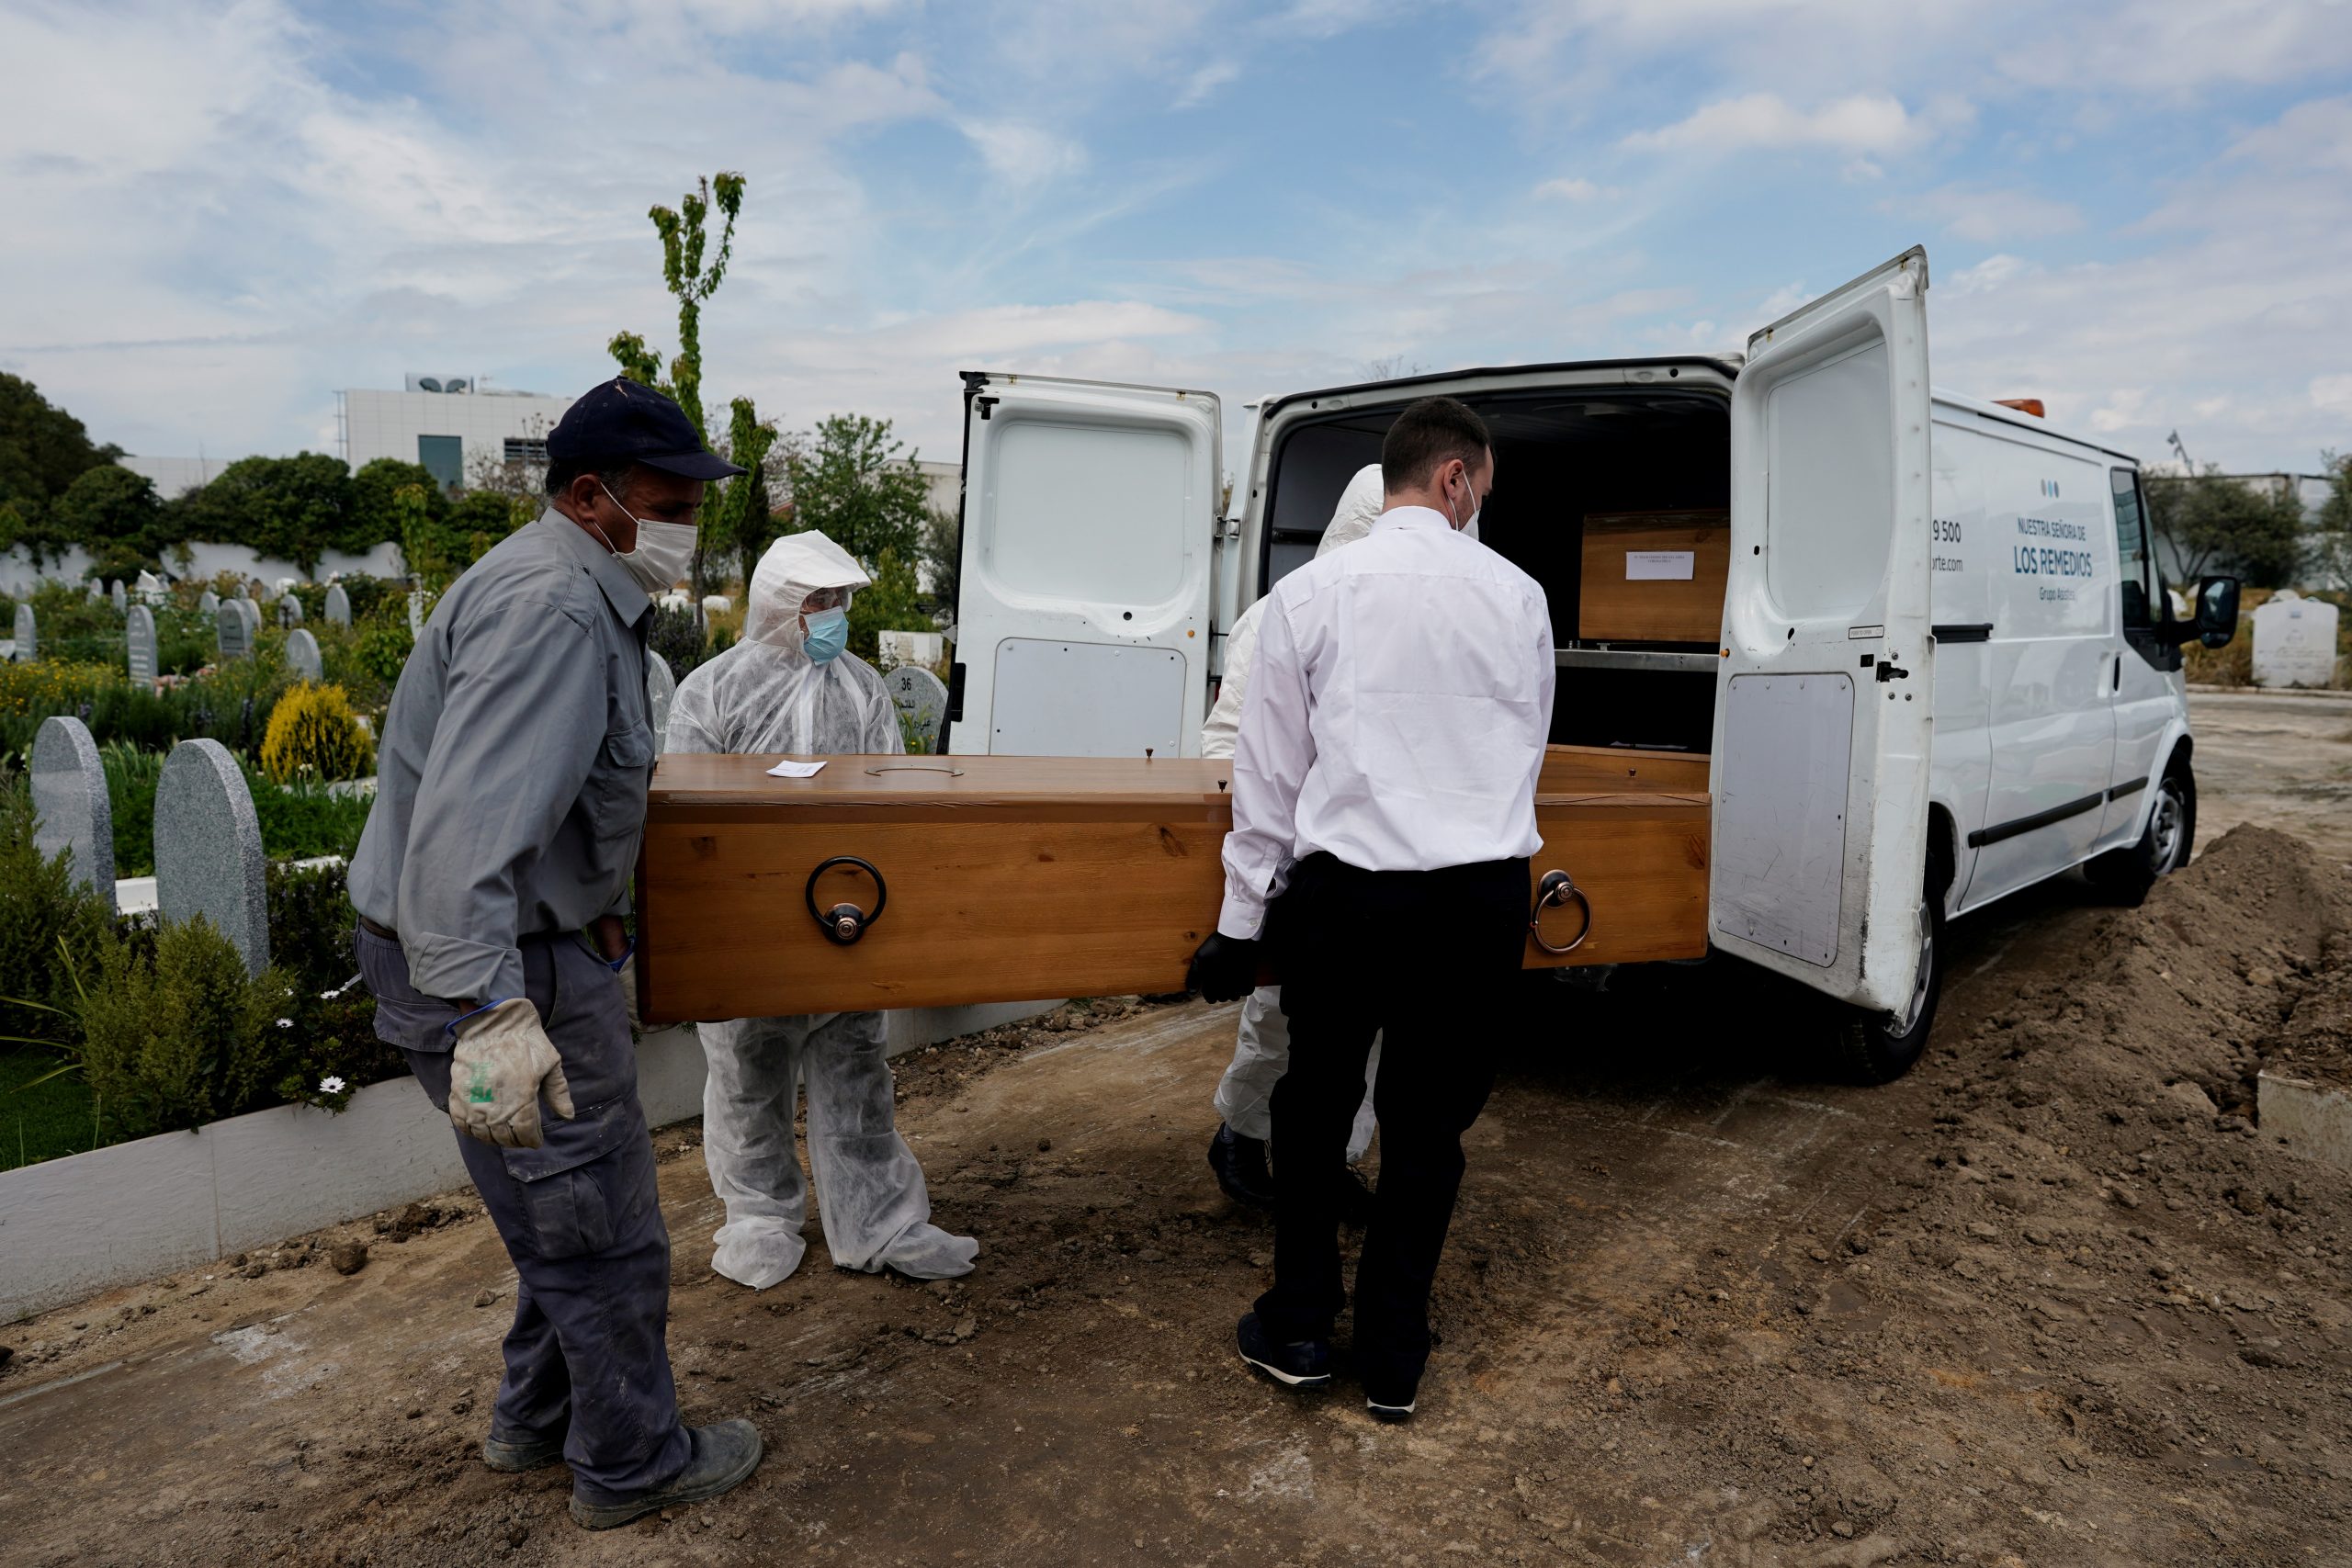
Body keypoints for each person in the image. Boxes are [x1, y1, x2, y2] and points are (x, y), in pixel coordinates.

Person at [348, 378, 764, 1530]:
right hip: (496, 972)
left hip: (521, 953)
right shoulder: (557, 612)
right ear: (593, 498)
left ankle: (534, 1421)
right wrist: (493, 1008)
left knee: (556, 1211)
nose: (692, 527)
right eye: (672, 502)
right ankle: (631, 1464)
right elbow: (464, 843)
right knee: (602, 1231)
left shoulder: (566, 587)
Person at [1189, 397, 1552, 1423]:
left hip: (1346, 898)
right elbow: (1523, 752)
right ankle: (1394, 1354)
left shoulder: (1308, 599)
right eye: (1480, 484)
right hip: (1477, 899)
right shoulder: (1518, 598)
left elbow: (1267, 785)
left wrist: (1239, 919)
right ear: (1453, 479)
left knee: (1311, 1110)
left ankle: (1301, 1325)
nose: (1480, 502)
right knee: (1427, 1128)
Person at [663, 532, 980, 1290]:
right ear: (778, 607)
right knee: (746, 1072)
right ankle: (759, 1216)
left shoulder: (863, 687)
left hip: (847, 912)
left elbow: (888, 797)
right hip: (748, 923)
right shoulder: (711, 692)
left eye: (839, 600)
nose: (831, 615)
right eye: (816, 601)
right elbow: (685, 821)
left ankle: (880, 1219)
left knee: (857, 1072)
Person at [1203, 464, 1385, 1211]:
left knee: (1363, 1032)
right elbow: (1226, 746)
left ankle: (1328, 1158)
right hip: (1290, 859)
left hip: (1370, 863)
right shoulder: (1283, 612)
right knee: (1277, 1015)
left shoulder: (1412, 623)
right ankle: (1239, 1136)